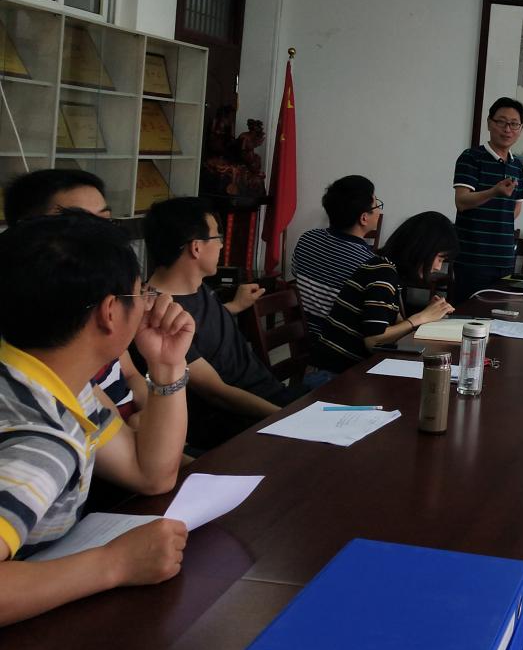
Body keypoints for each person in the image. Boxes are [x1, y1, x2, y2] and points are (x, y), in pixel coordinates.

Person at [0, 212, 192, 626]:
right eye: (140, 294)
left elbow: (150, 473)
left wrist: (166, 366)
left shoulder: (52, 381)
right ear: (110, 312)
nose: (148, 305)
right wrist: (114, 564)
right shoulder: (39, 441)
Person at [143, 198, 300, 450]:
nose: (222, 244)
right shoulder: (160, 316)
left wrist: (234, 306)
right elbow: (217, 393)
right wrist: (286, 416)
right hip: (242, 423)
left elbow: (200, 329)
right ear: (196, 248)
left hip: (272, 396)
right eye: (217, 237)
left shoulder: (194, 285)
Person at [2, 168, 148, 422]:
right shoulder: (50, 345)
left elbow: (131, 375)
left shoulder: (109, 306)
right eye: (80, 223)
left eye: (105, 221)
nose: (103, 237)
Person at [312, 211, 458, 374]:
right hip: (334, 374)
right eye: (439, 258)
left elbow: (395, 327)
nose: (438, 267)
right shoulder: (383, 274)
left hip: (347, 369)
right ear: (421, 249)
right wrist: (421, 317)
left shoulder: (387, 268)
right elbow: (374, 341)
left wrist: (428, 314)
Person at [450, 97, 523, 305]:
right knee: (467, 315)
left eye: (514, 124)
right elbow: (461, 201)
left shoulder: (517, 165)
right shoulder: (471, 157)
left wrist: (498, 223)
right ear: (489, 123)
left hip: (504, 259)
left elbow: (516, 207)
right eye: (501, 122)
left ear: (521, 128)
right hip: (473, 258)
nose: (507, 129)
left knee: (499, 317)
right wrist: (493, 192)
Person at [292, 175, 382, 338]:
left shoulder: (308, 238)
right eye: (377, 205)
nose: (379, 211)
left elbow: (295, 274)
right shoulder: (369, 264)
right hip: (338, 343)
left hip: (304, 335)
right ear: (364, 218)